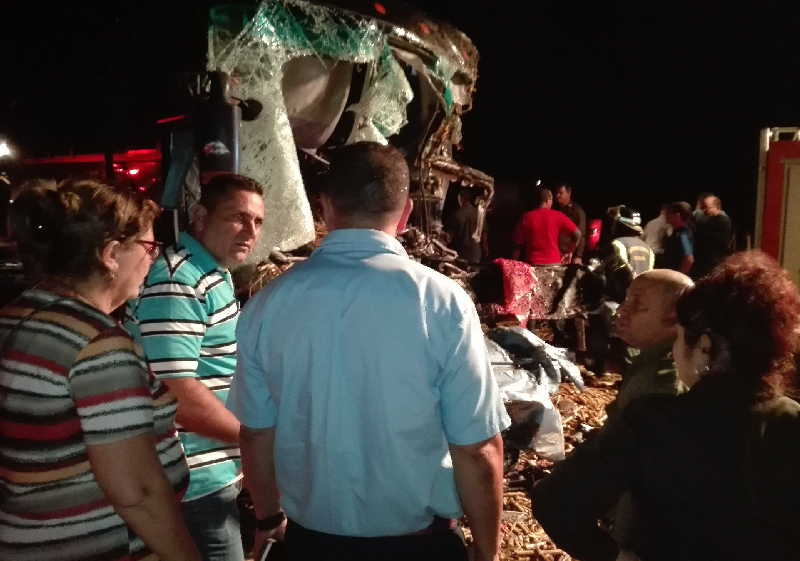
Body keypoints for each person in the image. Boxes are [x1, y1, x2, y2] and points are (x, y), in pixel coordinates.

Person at [227, 142, 510, 561]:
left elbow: (255, 432)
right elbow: (478, 447)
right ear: (407, 211)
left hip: (312, 543)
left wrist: (268, 519)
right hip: (419, 545)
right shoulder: (442, 302)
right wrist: (487, 551)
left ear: (324, 207)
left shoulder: (269, 303)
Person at [533, 251, 800, 561]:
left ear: (704, 347)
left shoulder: (651, 421)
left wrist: (612, 555)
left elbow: (554, 501)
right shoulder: (791, 422)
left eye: (679, 338)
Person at [0, 180, 200, 561]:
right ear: (110, 254)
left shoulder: (17, 316)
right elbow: (137, 492)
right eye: (148, 248)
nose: (153, 260)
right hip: (97, 546)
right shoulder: (97, 345)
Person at [127, 173, 265, 561]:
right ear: (201, 217)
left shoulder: (209, 274)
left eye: (257, 221)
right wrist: (258, 444)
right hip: (193, 479)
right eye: (237, 217)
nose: (250, 231)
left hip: (214, 469)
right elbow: (176, 392)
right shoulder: (179, 279)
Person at [512, 186, 581, 266]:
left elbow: (516, 245)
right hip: (554, 264)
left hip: (532, 265)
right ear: (548, 200)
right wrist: (570, 252)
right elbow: (578, 234)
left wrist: (515, 264)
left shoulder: (526, 217)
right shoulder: (558, 215)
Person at [693, 195, 732, 278]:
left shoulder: (722, 220)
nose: (704, 210)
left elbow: (700, 222)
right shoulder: (712, 219)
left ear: (716, 207)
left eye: (707, 207)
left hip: (714, 263)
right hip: (708, 262)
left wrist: (697, 210)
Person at [445, 187, 482, 264]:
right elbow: (484, 236)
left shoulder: (457, 214)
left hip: (461, 255)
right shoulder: (479, 214)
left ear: (460, 198)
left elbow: (448, 238)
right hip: (476, 254)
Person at [554, 183, 587, 264]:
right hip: (555, 253)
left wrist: (578, 256)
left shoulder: (577, 211)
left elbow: (581, 235)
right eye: (556, 193)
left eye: (561, 193)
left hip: (569, 255)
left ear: (569, 193)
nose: (557, 195)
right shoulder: (555, 210)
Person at [662, 201, 694, 274]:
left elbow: (689, 259)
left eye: (669, 213)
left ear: (677, 215)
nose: (666, 216)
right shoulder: (677, 232)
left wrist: (678, 276)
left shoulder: (684, 235)